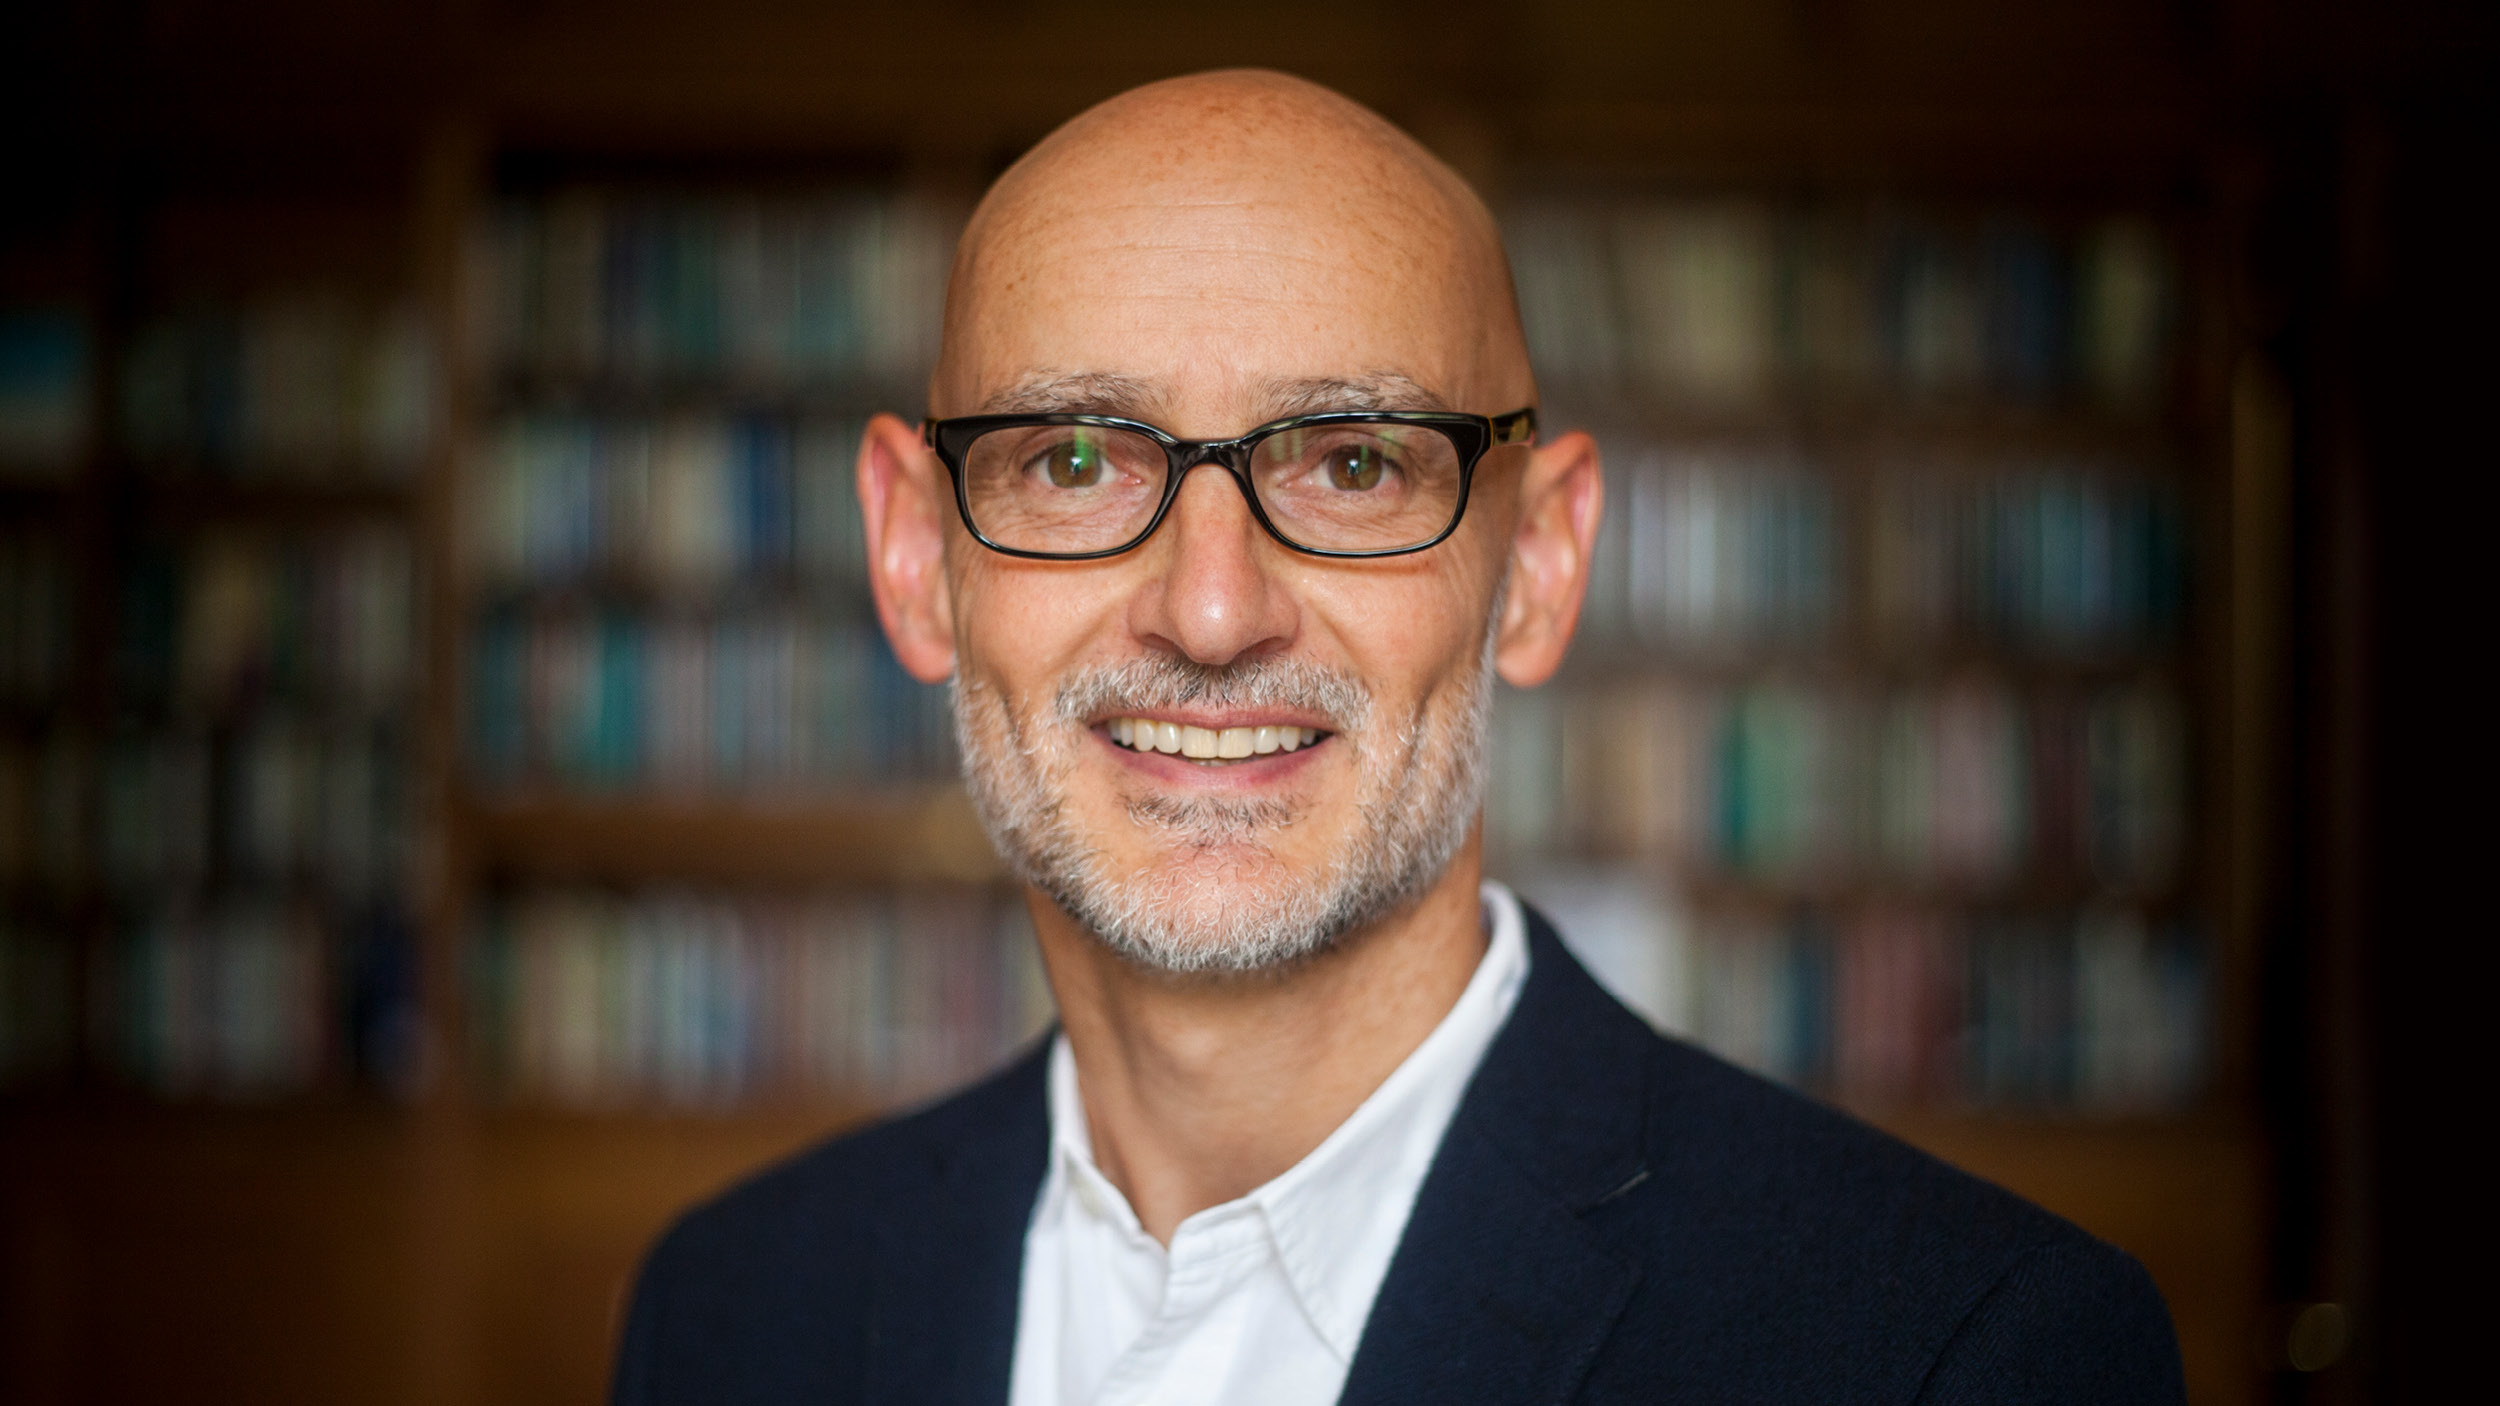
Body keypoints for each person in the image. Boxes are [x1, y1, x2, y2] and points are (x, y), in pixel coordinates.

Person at [612, 70, 2185, 1406]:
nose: (1213, 611)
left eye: (1355, 465)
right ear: (913, 556)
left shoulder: (1957, 1351)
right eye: (1075, 456)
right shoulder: (735, 1311)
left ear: (1541, 566)